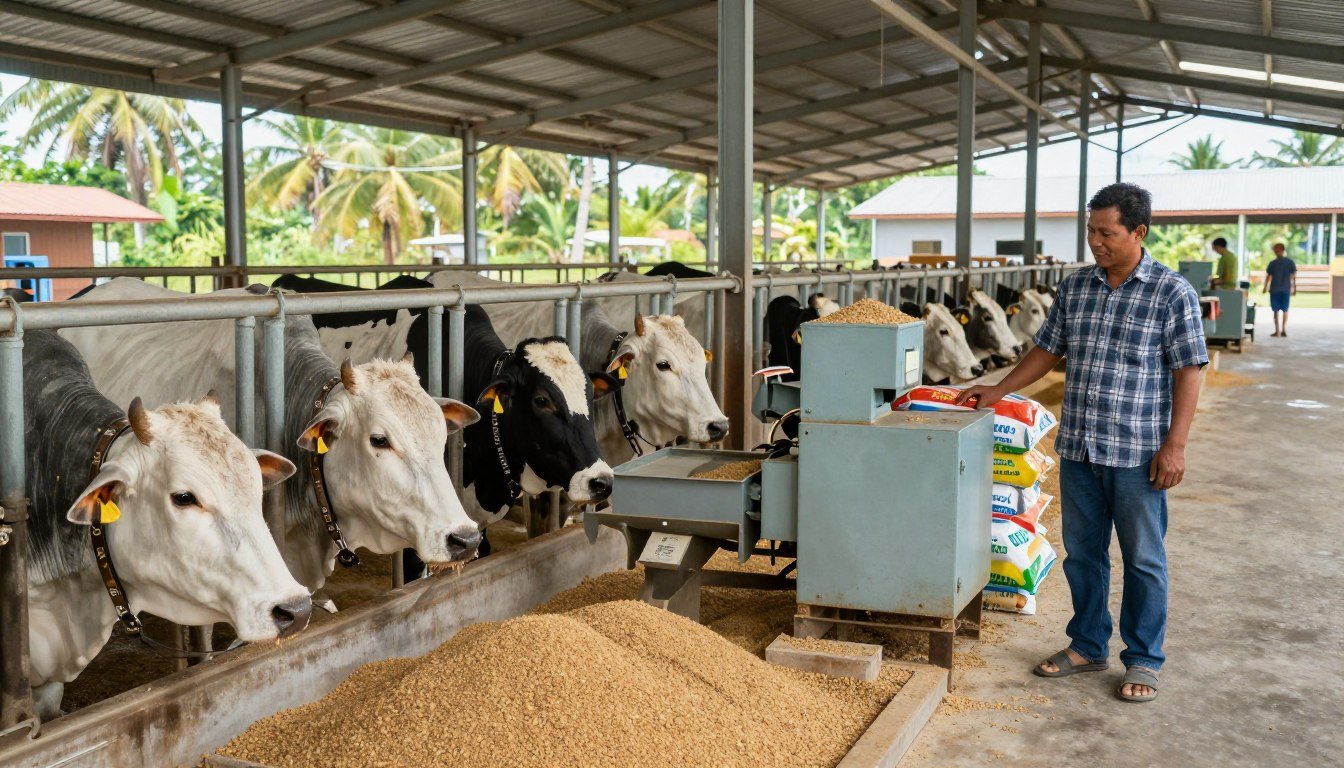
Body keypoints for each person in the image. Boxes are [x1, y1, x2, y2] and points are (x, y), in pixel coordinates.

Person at [957, 183, 1207, 703]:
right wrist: (999, 390)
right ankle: (1089, 643)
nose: (1094, 241)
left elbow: (1189, 371)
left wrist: (1176, 445)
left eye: (1106, 232)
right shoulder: (1076, 288)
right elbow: (1047, 350)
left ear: (1138, 232)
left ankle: (1142, 659)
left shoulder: (1171, 291)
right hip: (1079, 450)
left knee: (1143, 559)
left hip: (1139, 453)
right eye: (1090, 230)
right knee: (1083, 555)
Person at [1263, 242, 1297, 337]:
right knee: (1285, 310)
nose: (1276, 252)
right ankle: (1283, 330)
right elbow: (1293, 277)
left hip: (1275, 290)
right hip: (1285, 289)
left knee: (1276, 310)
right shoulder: (1290, 262)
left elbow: (1268, 277)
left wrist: (1265, 287)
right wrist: (1295, 288)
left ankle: (1278, 330)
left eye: (1276, 250)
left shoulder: (1273, 263)